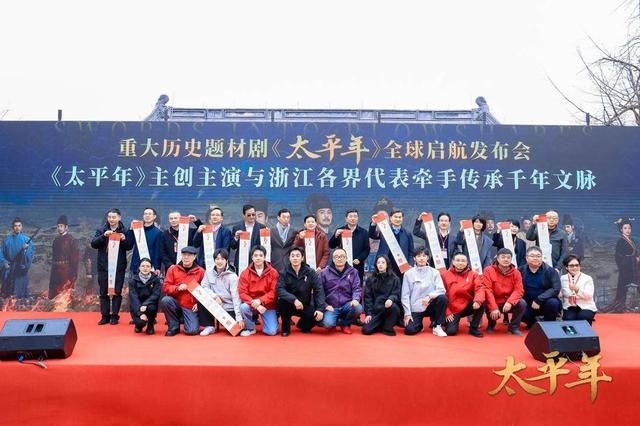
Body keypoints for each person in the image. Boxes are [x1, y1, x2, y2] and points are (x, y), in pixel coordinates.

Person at [90, 208, 132, 325]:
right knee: (103, 292)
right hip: (103, 267)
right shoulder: (101, 230)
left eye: (114, 217)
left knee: (117, 292)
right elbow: (93, 244)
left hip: (118, 267)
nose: (111, 219)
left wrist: (124, 239)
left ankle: (115, 316)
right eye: (109, 217)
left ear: (119, 218)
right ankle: (105, 316)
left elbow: (129, 246)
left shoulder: (125, 230)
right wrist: (103, 236)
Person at [277, 247, 325, 336]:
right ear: (289, 258)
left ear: (302, 258)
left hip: (304, 304)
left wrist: (320, 309)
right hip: (289, 303)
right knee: (281, 303)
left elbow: (319, 289)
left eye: (297, 256)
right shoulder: (283, 272)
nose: (295, 258)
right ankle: (286, 328)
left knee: (317, 316)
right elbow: (280, 289)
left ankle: (302, 325)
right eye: (292, 256)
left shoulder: (310, 272)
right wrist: (294, 300)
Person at [401, 247, 448, 337]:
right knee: (409, 330)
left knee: (443, 298)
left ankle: (437, 326)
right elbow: (405, 295)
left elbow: (442, 289)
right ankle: (419, 325)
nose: (421, 258)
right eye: (419, 256)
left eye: (424, 256)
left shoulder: (435, 272)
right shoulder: (408, 274)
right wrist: (407, 313)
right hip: (416, 307)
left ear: (427, 257)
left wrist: (429, 296)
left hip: (430, 305)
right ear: (414, 258)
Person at [159, 246, 206, 336]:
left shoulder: (201, 271)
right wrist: (177, 288)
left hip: (190, 306)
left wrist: (199, 303)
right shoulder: (172, 269)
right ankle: (173, 327)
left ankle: (184, 319)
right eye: (184, 255)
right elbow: (165, 287)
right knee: (166, 300)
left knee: (191, 331)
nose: (186, 257)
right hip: (175, 303)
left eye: (189, 255)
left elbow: (205, 290)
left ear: (194, 257)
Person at [197, 248, 244, 336]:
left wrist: (239, 318)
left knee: (236, 332)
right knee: (201, 296)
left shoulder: (233, 276)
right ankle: (209, 326)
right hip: (214, 304)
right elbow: (204, 287)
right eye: (217, 259)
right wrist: (215, 296)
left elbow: (236, 297)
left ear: (227, 260)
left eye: (222, 259)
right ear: (214, 260)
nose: (219, 261)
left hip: (229, 307)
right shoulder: (208, 272)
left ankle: (230, 322)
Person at [440, 252, 485, 337]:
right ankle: (443, 322)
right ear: (453, 262)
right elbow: (441, 295)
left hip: (466, 305)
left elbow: (480, 288)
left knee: (481, 302)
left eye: (463, 261)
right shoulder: (445, 275)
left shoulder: (473, 274)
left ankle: (473, 328)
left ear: (467, 262)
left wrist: (478, 301)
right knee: (451, 332)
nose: (460, 263)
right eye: (458, 260)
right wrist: (447, 312)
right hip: (451, 308)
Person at [482, 248, 526, 335]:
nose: (506, 259)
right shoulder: (488, 270)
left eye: (508, 257)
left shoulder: (516, 272)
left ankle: (514, 327)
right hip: (495, 301)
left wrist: (510, 302)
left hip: (509, 301)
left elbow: (519, 290)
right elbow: (487, 289)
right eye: (503, 257)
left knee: (522, 303)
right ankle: (491, 324)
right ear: (497, 259)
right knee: (486, 303)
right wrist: (493, 307)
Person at [238, 246, 279, 336]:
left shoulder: (273, 272)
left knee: (271, 332)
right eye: (255, 255)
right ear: (252, 257)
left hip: (268, 305)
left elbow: (273, 292)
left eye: (261, 255)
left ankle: (271, 320)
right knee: (243, 307)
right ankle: (250, 328)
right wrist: (255, 304)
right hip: (251, 304)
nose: (258, 258)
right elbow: (242, 293)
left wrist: (260, 301)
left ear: (264, 257)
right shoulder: (245, 273)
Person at [320, 248, 362, 333]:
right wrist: (325, 305)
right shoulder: (324, 272)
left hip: (347, 304)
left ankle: (345, 324)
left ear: (346, 258)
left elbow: (357, 288)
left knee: (358, 308)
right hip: (332, 307)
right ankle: (337, 321)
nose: (339, 259)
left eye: (342, 256)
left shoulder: (353, 272)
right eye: (336, 257)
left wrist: (355, 299)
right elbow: (319, 291)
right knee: (328, 324)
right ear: (333, 259)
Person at [519, 246, 562, 329]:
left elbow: (556, 288)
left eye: (538, 256)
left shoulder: (550, 271)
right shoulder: (520, 271)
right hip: (528, 303)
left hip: (545, 302)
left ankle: (548, 325)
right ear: (526, 258)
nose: (535, 258)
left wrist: (539, 299)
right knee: (519, 305)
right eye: (532, 256)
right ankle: (532, 323)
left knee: (553, 303)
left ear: (542, 258)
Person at [603, 218, 639, 312]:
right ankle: (621, 306)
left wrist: (636, 258)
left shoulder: (632, 240)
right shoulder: (621, 241)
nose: (628, 230)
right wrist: (631, 259)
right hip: (626, 269)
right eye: (625, 228)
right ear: (621, 230)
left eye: (629, 228)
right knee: (623, 288)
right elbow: (618, 256)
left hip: (633, 269)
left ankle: (632, 305)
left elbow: (635, 253)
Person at [362, 255, 402, 336]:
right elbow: (368, 298)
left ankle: (387, 327)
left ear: (387, 264)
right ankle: (383, 324)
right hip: (376, 311)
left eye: (383, 262)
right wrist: (369, 314)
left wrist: (391, 299)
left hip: (389, 309)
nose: (380, 264)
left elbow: (397, 293)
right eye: (378, 263)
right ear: (376, 265)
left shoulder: (395, 278)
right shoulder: (370, 279)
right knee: (366, 330)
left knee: (394, 307)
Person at [369, 209, 415, 277]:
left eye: (400, 217)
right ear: (390, 218)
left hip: (402, 266)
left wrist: (410, 264)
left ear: (402, 219)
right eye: (395, 217)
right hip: (385, 264)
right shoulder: (384, 230)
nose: (398, 219)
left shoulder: (407, 233)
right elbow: (372, 235)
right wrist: (373, 224)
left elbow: (411, 252)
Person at [329, 209, 370, 283]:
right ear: (346, 218)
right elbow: (331, 245)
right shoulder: (340, 230)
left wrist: (359, 259)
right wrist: (335, 236)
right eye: (350, 216)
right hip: (342, 265)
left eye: (355, 216)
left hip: (357, 265)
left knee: (357, 285)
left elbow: (367, 249)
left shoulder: (364, 232)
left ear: (358, 218)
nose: (353, 218)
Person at [0, 217, 35, 299]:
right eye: (15, 226)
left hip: (21, 269)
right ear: (12, 227)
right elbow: (1, 253)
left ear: (21, 227)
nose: (17, 228)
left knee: (20, 293)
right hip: (10, 268)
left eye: (19, 225)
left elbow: (30, 254)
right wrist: (4, 262)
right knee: (8, 294)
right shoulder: (7, 240)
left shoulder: (27, 240)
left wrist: (25, 250)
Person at [48, 215, 79, 299]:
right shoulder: (55, 240)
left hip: (66, 271)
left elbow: (74, 259)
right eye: (58, 226)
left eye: (61, 226)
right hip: (55, 271)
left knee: (65, 295)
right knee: (54, 295)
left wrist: (73, 274)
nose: (59, 228)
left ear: (66, 227)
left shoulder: (71, 240)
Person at [559, 255, 597, 324]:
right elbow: (560, 294)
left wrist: (577, 289)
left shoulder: (587, 278)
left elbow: (589, 296)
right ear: (566, 267)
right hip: (569, 306)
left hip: (586, 306)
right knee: (569, 319)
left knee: (583, 317)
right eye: (572, 266)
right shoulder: (562, 278)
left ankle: (587, 331)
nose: (575, 267)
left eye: (577, 265)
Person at [128, 258, 161, 334]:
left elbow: (155, 295)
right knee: (140, 323)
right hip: (137, 306)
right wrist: (140, 313)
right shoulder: (133, 280)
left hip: (149, 305)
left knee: (152, 307)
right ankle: (138, 325)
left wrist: (145, 304)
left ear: (151, 268)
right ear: (139, 267)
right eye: (143, 266)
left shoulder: (156, 279)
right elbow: (133, 297)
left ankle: (150, 325)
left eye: (147, 266)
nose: (145, 268)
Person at [230, 204, 266, 271]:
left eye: (253, 214)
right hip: (241, 261)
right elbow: (233, 246)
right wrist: (236, 238)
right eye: (249, 215)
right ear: (243, 215)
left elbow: (264, 246)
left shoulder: (262, 227)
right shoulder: (237, 228)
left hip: (257, 261)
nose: (251, 217)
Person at [126, 207, 162, 275]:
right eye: (145, 214)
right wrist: (131, 229)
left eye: (149, 214)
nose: (147, 215)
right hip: (136, 266)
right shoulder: (137, 229)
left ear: (154, 216)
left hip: (150, 268)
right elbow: (129, 244)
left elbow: (157, 251)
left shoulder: (158, 232)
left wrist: (157, 267)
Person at [270, 208, 296, 273]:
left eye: (288, 217)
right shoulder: (271, 231)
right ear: (278, 218)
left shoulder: (294, 231)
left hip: (288, 262)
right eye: (284, 217)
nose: (286, 219)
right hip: (274, 261)